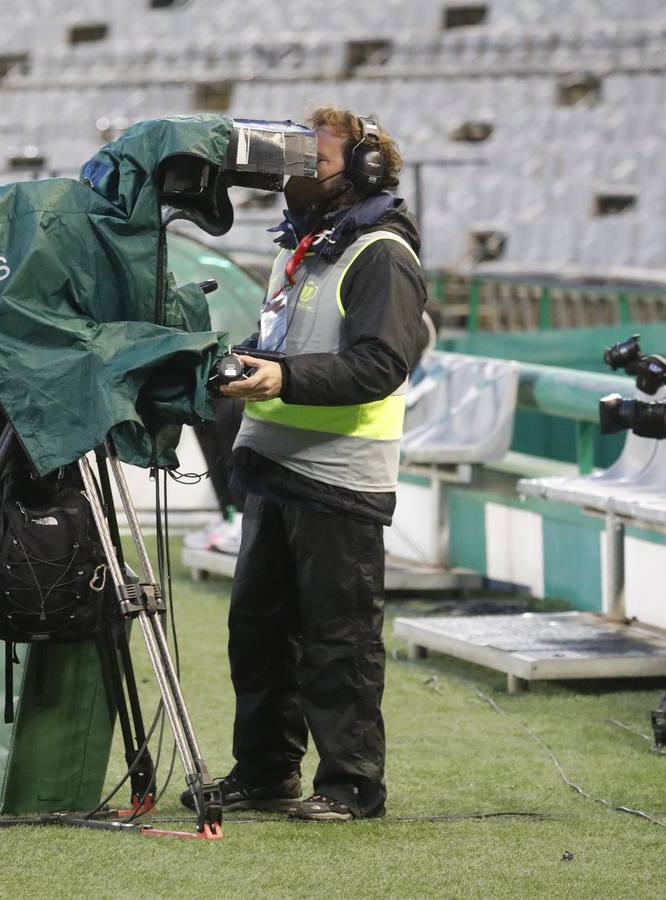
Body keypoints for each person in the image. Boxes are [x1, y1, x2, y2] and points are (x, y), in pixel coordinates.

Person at [181, 106, 428, 821]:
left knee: (337, 643)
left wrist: (280, 378)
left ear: (361, 172)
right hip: (274, 467)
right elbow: (290, 348)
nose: (293, 177)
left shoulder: (380, 254)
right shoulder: (305, 251)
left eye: (312, 164)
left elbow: (379, 365)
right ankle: (264, 772)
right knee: (256, 634)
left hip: (340, 477)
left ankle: (351, 786)